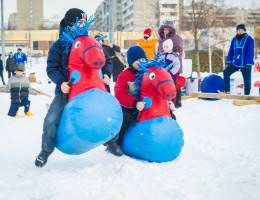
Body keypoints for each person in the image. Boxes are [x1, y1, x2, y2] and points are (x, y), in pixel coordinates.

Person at [35, 8, 113, 168]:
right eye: (80, 22)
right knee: (51, 120)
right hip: (67, 91)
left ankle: (111, 142)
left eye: (84, 22)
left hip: (91, 89)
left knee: (109, 112)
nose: (83, 25)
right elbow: (52, 68)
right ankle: (46, 150)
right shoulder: (59, 45)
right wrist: (62, 83)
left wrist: (107, 73)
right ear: (70, 23)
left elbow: (106, 59)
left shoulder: (90, 41)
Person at [111, 46, 147, 151]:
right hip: (129, 107)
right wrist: (135, 104)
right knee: (125, 120)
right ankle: (115, 142)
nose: (142, 62)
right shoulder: (124, 76)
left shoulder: (148, 74)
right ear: (131, 62)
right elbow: (119, 94)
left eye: (143, 59)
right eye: (138, 60)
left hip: (146, 105)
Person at [158, 21, 183, 108]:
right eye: (164, 29)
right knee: (165, 83)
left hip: (173, 64)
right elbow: (159, 51)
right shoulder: (162, 39)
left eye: (167, 29)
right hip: (163, 65)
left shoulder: (176, 38)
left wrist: (173, 56)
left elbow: (179, 50)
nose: (165, 31)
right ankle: (166, 101)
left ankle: (177, 101)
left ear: (171, 29)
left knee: (175, 83)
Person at [223, 24, 254, 95]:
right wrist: (229, 61)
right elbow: (231, 51)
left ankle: (247, 94)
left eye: (241, 30)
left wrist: (248, 64)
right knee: (226, 72)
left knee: (247, 80)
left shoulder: (249, 39)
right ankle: (227, 90)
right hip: (236, 63)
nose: (240, 31)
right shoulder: (234, 39)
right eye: (238, 30)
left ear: (244, 31)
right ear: (237, 31)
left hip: (245, 63)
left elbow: (250, 52)